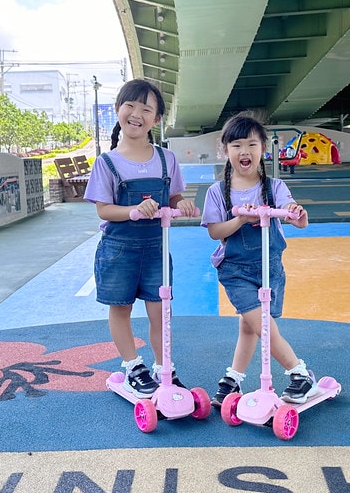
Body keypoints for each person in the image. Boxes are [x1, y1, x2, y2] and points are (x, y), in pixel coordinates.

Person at [83, 79, 198, 397]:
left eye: (146, 108)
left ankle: (165, 369)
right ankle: (133, 366)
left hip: (156, 248)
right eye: (130, 105)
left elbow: (173, 197)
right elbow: (104, 210)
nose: (136, 114)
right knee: (120, 308)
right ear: (118, 110)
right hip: (119, 249)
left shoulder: (166, 159)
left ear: (156, 118)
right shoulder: (107, 163)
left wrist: (181, 204)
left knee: (160, 310)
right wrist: (133, 210)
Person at [201, 113, 316, 407]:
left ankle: (233, 379)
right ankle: (299, 373)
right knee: (262, 323)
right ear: (224, 150)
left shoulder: (273, 187)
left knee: (250, 325)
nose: (244, 152)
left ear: (263, 148)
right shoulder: (218, 192)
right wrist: (240, 219)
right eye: (236, 145)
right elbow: (215, 232)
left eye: (252, 144)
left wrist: (296, 212)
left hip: (270, 268)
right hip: (235, 270)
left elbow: (294, 215)